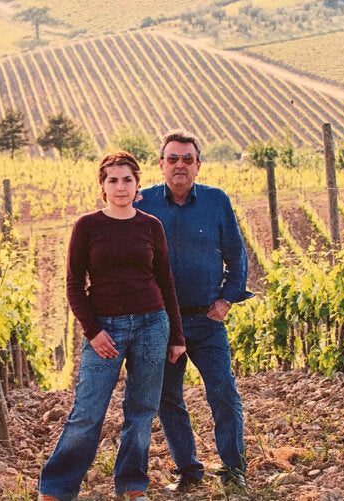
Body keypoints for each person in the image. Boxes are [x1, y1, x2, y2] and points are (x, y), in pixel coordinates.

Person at [39, 151, 186, 501]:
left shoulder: (151, 226)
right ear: (102, 186)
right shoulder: (87, 226)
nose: (120, 186)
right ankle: (57, 489)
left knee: (141, 410)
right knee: (88, 412)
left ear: (137, 185)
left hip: (153, 325)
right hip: (105, 329)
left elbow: (165, 281)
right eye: (112, 180)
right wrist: (92, 331)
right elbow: (74, 283)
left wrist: (176, 335)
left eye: (127, 180)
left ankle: (132, 487)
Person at [135, 130, 252, 492]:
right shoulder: (144, 202)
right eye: (173, 159)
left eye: (187, 159)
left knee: (223, 391)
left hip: (206, 319)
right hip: (163, 323)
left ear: (198, 165)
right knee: (168, 397)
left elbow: (237, 255)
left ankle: (234, 469)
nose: (180, 165)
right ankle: (188, 470)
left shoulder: (217, 201)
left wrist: (227, 299)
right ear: (161, 164)